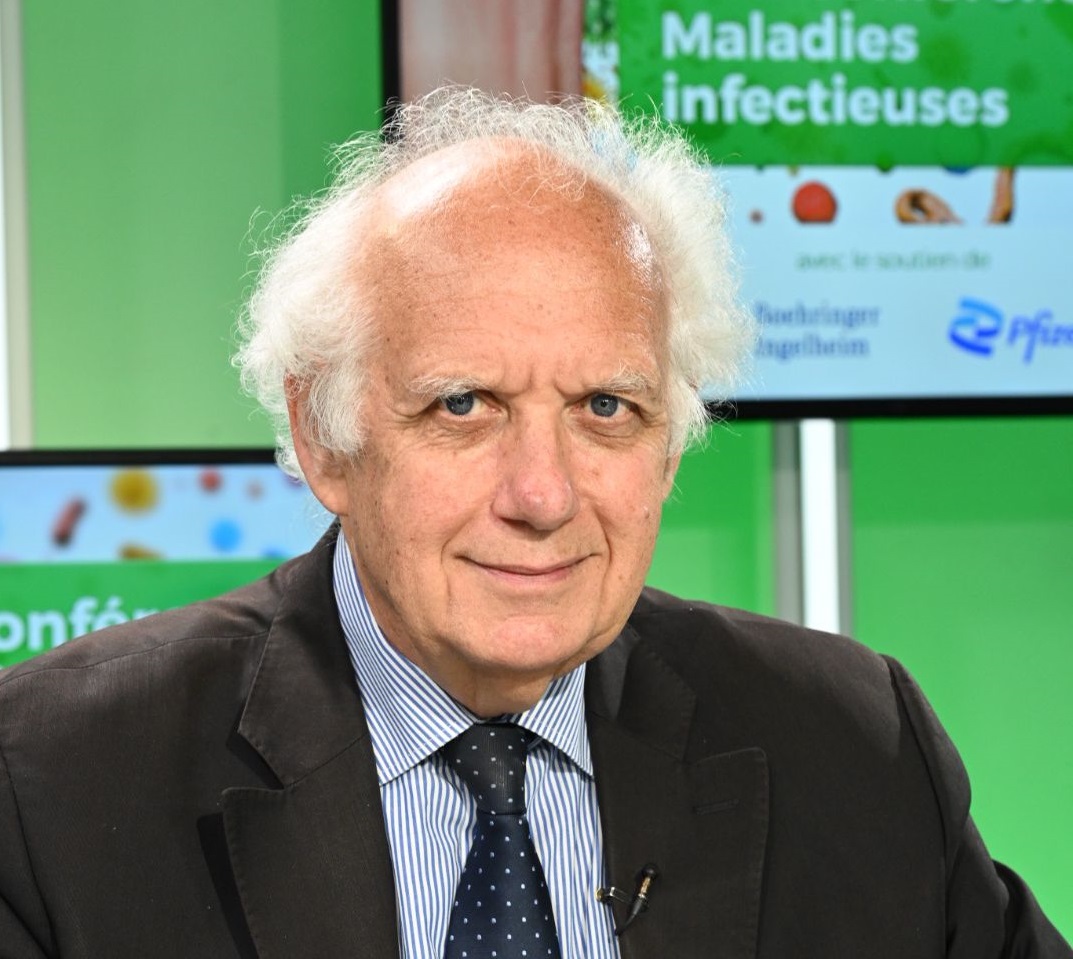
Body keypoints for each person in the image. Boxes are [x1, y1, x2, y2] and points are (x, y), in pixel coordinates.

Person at [0, 87, 1068, 959]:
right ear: (324, 436)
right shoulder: (49, 782)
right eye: (463, 405)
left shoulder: (854, 743)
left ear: (668, 442)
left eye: (605, 407)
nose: (543, 494)